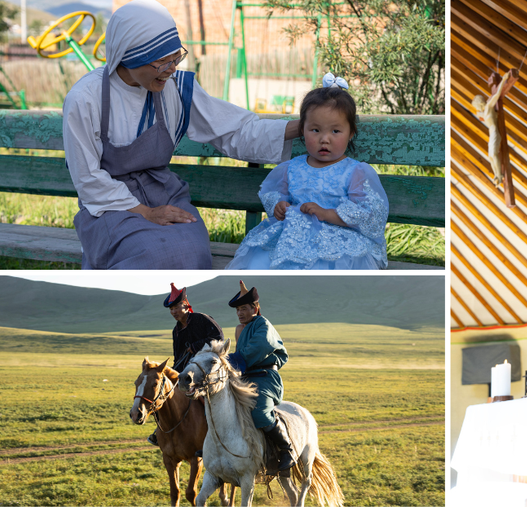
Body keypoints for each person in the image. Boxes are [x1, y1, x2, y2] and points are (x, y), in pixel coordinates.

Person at [62, 0, 298, 269]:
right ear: (130, 56)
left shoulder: (174, 88)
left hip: (164, 194)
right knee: (154, 257)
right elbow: (87, 178)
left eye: (176, 57)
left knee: (193, 254)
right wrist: (146, 213)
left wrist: (300, 127)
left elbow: (234, 130)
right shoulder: (85, 99)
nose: (172, 68)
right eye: (162, 61)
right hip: (110, 205)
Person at [225, 73, 389, 270]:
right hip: (292, 239)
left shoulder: (354, 172)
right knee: (261, 261)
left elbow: (367, 216)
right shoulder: (292, 167)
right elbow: (280, 195)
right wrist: (280, 205)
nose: (324, 139)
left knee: (329, 264)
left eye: (335, 131)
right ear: (302, 129)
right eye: (315, 130)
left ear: (351, 132)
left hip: (336, 240)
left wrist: (327, 213)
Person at [225, 280, 295, 475]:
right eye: (238, 309)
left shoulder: (263, 324)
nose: (240, 313)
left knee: (259, 413)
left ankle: (286, 448)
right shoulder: (241, 329)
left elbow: (260, 346)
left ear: (255, 308)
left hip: (265, 377)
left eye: (244, 308)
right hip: (246, 377)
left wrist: (233, 360)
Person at [147, 282, 224, 447]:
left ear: (186, 305)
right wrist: (173, 373)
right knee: (165, 395)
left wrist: (195, 347)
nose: (173, 312)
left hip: (206, 368)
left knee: (204, 396)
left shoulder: (201, 319)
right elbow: (177, 355)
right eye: (171, 310)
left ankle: (213, 431)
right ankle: (161, 432)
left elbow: (218, 338)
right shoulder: (176, 330)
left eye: (176, 308)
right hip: (185, 368)